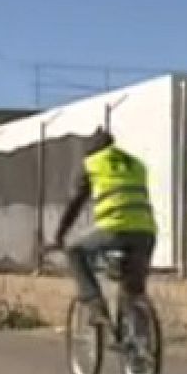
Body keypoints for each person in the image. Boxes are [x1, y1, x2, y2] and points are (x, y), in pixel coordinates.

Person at [53, 128, 158, 313]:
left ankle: (94, 302)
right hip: (146, 232)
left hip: (115, 229)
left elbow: (76, 202)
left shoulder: (93, 163)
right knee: (133, 291)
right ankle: (139, 327)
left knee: (74, 251)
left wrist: (60, 234)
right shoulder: (136, 164)